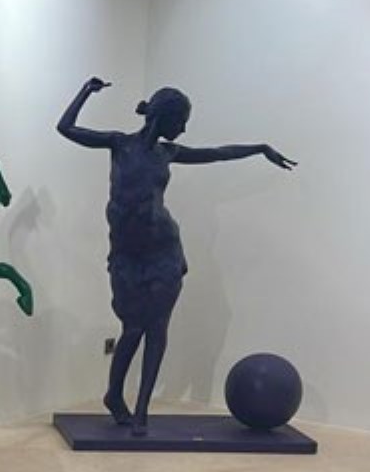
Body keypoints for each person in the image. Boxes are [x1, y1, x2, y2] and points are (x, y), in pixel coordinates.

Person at [56, 77, 296, 435]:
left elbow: (217, 153)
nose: (183, 129)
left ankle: (141, 410)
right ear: (164, 117)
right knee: (132, 328)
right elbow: (66, 128)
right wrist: (86, 92)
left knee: (157, 328)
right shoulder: (119, 143)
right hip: (127, 254)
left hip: (163, 251)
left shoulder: (168, 153)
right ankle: (114, 395)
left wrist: (260, 148)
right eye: (181, 121)